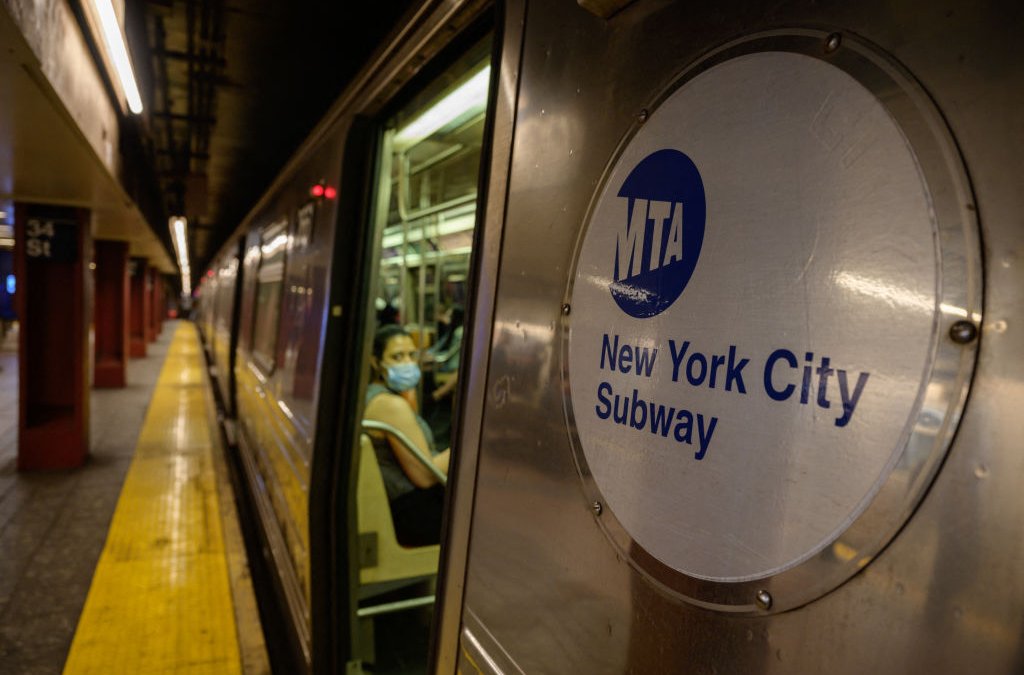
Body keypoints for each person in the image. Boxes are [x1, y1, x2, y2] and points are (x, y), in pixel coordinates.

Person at [364, 324, 450, 546]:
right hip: (413, 511)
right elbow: (425, 476)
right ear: (376, 362)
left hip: (401, 504)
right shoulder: (390, 406)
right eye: (397, 356)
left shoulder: (375, 395)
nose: (407, 363)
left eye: (412, 355)